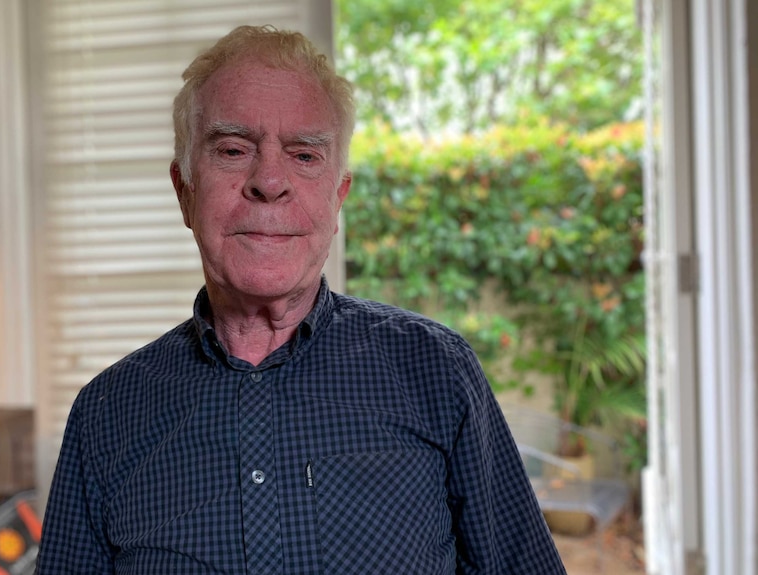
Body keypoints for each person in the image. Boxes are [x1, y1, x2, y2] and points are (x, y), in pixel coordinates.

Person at [35, 25, 567, 574]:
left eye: (305, 155)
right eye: (233, 149)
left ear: (338, 199)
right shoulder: (105, 415)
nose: (269, 180)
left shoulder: (436, 372)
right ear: (184, 192)